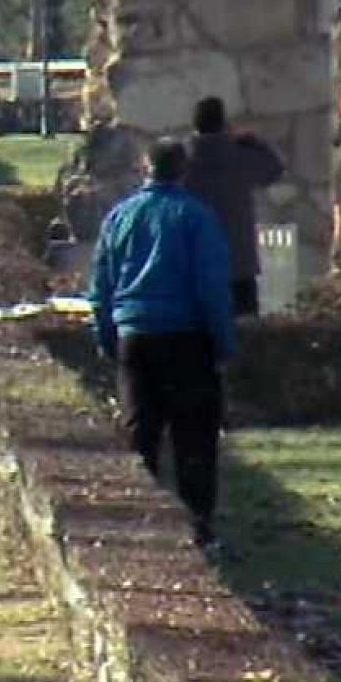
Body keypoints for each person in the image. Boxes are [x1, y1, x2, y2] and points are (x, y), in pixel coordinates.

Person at [88, 139, 235, 547]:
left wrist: (107, 339)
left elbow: (101, 287)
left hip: (135, 335)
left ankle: (144, 523)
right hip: (186, 337)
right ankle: (199, 528)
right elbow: (211, 288)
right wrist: (223, 344)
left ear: (145, 169)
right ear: (183, 170)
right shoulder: (197, 217)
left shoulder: (121, 216)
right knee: (195, 437)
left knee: (140, 433)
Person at [182, 96, 285, 317]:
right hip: (239, 264)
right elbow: (274, 169)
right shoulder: (239, 156)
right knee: (245, 335)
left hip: (196, 265)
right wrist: (253, 141)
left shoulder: (184, 163)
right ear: (224, 123)